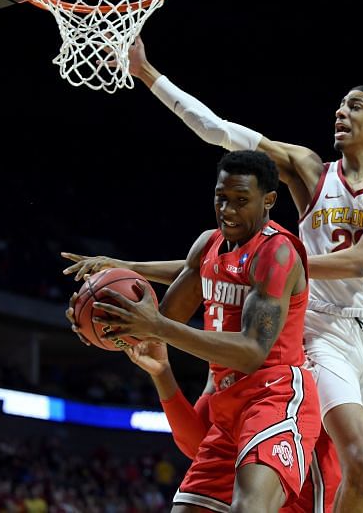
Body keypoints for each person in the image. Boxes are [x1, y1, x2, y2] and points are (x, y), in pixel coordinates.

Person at [119, 36, 363, 513]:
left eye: (355, 106)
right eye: (340, 105)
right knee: (361, 463)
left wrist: (273, 263)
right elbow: (217, 130)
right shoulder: (309, 171)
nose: (341, 112)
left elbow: (360, 261)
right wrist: (147, 74)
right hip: (323, 330)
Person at [66, 151, 324, 513]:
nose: (228, 210)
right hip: (227, 400)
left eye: (240, 201)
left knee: (250, 508)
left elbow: (252, 351)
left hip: (275, 394)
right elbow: (163, 316)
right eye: (221, 198)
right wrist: (104, 324)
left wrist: (157, 326)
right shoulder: (208, 245)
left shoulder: (276, 253)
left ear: (268, 201)